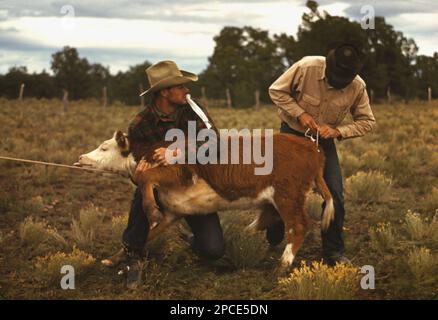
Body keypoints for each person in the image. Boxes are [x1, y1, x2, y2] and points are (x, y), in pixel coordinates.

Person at [103, 60, 225, 289]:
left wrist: (178, 151)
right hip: (162, 187)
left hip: (193, 186)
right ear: (165, 92)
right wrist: (138, 174)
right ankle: (132, 254)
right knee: (143, 192)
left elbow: (215, 143)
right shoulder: (140, 124)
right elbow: (139, 165)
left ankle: (192, 240)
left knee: (214, 250)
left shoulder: (191, 108)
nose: (186, 90)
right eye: (180, 86)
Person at [268, 42, 376, 266]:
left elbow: (367, 122)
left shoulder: (358, 86)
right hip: (292, 134)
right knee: (284, 189)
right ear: (328, 66)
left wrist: (338, 131)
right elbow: (276, 90)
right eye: (335, 77)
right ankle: (275, 226)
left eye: (342, 80)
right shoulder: (306, 67)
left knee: (334, 193)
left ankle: (333, 252)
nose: (338, 82)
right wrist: (300, 114)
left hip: (323, 142)